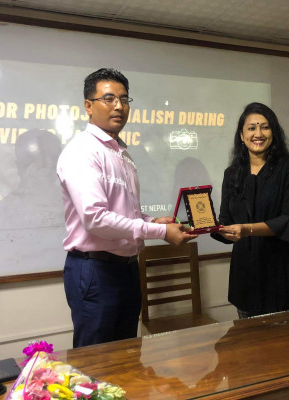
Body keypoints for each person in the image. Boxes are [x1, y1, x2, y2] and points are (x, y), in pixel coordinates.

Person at [56, 68, 197, 347]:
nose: (119, 106)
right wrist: (160, 232)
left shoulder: (121, 153)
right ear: (88, 106)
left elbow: (123, 213)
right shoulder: (82, 151)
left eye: (124, 99)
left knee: (127, 356)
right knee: (96, 362)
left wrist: (153, 220)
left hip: (127, 268)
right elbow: (95, 219)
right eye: (109, 98)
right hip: (95, 270)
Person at [212, 102, 289, 318]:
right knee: (248, 339)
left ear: (274, 132)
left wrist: (246, 229)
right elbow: (226, 220)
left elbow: (287, 221)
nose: (258, 134)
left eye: (265, 127)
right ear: (241, 135)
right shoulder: (232, 173)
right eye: (251, 128)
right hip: (246, 276)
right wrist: (206, 226)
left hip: (283, 273)